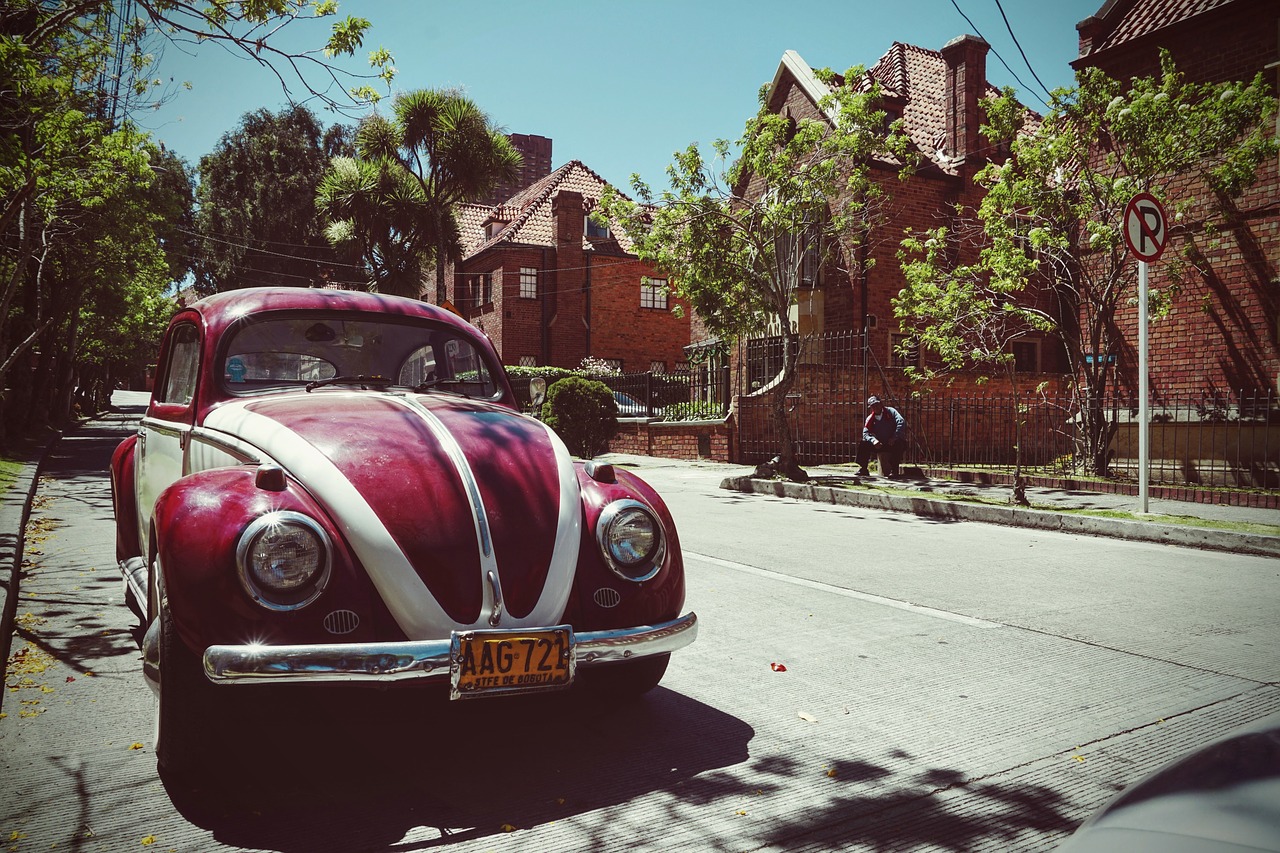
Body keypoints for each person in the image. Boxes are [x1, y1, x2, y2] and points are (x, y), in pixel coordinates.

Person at [857, 395, 907, 477]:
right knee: (864, 443)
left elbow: (901, 422)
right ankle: (863, 468)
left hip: (892, 442)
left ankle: (894, 470)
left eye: (877, 404)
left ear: (881, 403)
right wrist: (873, 441)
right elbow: (865, 433)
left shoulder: (891, 411)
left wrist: (894, 437)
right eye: (873, 406)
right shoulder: (870, 418)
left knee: (899, 443)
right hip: (879, 444)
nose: (875, 407)